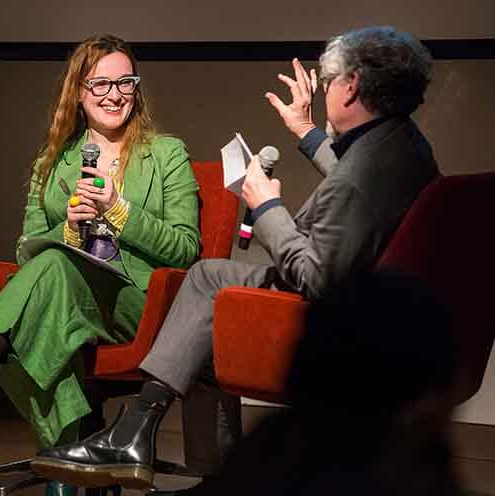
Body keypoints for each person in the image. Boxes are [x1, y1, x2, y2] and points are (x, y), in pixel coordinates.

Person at [29, 25, 440, 493]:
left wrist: (266, 208)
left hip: (332, 323)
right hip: (375, 306)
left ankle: (140, 431)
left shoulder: (361, 174)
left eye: (331, 82)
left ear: (353, 87)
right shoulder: (400, 145)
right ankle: (172, 450)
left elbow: (314, 276)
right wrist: (306, 131)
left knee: (205, 294)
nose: (326, 90)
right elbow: (356, 174)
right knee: (207, 293)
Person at [0, 34, 201, 496]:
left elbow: (185, 249)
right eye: (100, 84)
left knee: (45, 286)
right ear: (78, 91)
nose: (114, 95)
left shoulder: (167, 153)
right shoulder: (52, 163)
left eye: (125, 82)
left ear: (136, 88)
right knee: (49, 290)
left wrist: (117, 210)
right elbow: (25, 249)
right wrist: (70, 233)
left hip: (137, 303)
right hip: (64, 296)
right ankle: (64, 470)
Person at [195, 269, 463, 496]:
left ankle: (152, 400)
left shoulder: (262, 458)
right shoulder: (421, 468)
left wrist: (267, 211)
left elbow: (316, 273)